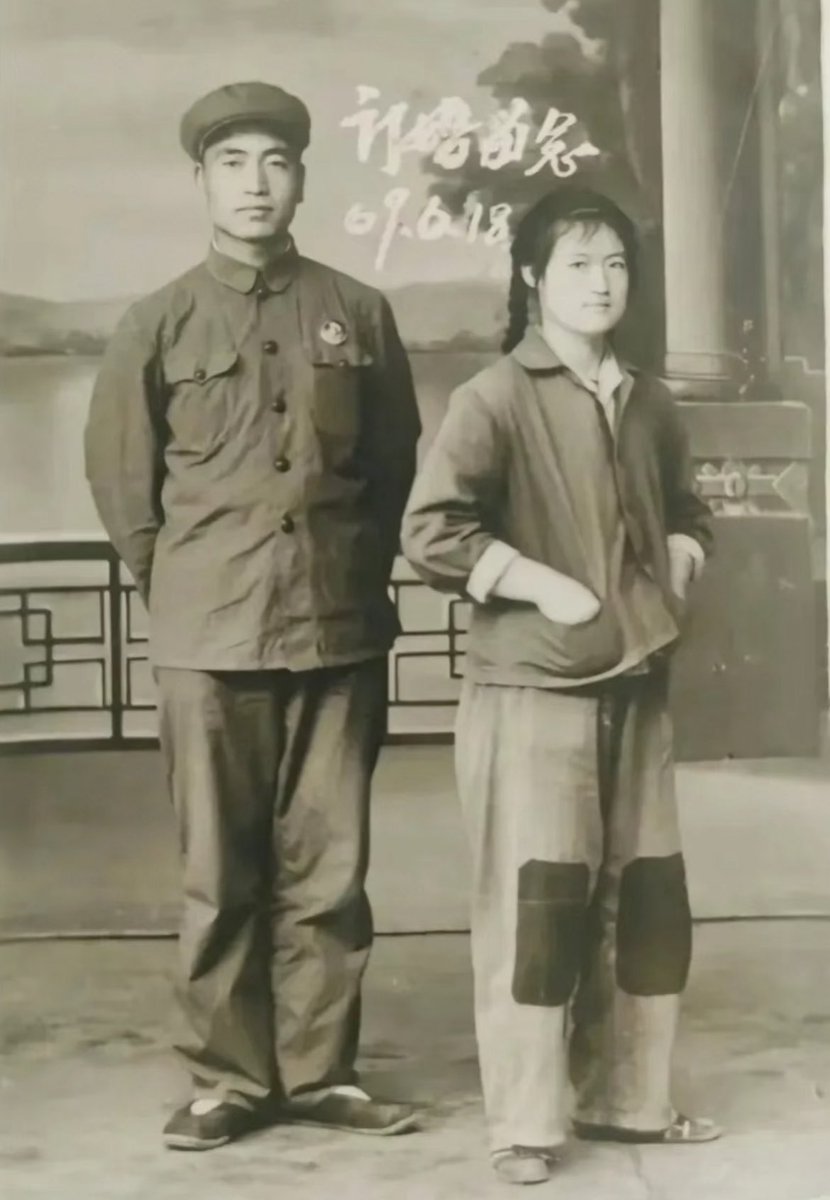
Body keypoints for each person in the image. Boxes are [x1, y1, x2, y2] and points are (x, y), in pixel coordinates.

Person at [84, 81, 421, 1150]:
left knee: (328, 871)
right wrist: (190, 587)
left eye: (275, 161)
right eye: (233, 163)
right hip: (208, 637)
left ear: (302, 179)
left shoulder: (357, 312)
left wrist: (345, 575)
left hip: (335, 628)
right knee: (219, 874)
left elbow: (393, 464)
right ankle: (230, 1078)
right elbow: (125, 491)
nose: (256, 183)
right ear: (202, 182)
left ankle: (320, 1072)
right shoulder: (159, 321)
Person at [401, 186, 719, 1186]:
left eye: (615, 265)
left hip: (637, 692)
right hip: (530, 693)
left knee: (650, 902)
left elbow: (687, 510)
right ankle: (526, 1125)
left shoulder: (650, 399)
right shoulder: (492, 397)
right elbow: (430, 532)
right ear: (532, 278)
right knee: (536, 910)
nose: (600, 283)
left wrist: (676, 554)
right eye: (577, 264)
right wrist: (542, 585)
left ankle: (630, 1100)